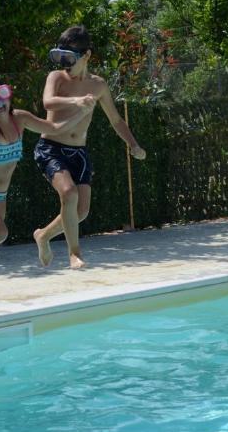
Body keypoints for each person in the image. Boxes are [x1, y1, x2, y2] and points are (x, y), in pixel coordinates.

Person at [0, 74, 94, 319]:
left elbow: (54, 129)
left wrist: (82, 111)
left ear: (9, 94)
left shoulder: (20, 119)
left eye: (2, 94)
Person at [33, 25, 146, 269]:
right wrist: (75, 100)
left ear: (86, 56)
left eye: (70, 58)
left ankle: (43, 235)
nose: (65, 64)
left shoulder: (98, 86)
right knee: (68, 194)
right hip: (51, 147)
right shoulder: (57, 78)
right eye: (60, 57)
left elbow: (116, 120)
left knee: (80, 212)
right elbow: (48, 102)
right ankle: (74, 254)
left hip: (79, 153)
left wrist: (133, 144)